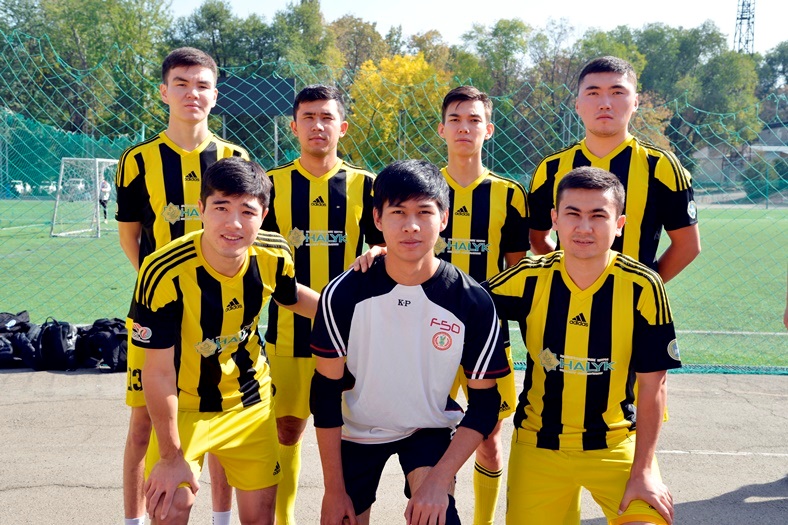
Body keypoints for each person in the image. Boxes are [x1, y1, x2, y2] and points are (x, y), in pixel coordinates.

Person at [353, 86, 528, 524]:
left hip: (480, 333)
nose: (464, 128)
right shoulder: (420, 189)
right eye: (455, 119)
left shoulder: (509, 194)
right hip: (421, 335)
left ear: (488, 129)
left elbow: (517, 269)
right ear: (441, 129)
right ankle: (432, 492)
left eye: (474, 120)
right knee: (426, 427)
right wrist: (376, 252)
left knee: (489, 436)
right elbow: (388, 247)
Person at [310, 159, 510, 525]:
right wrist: (333, 490)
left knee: (436, 517)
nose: (411, 225)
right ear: (377, 218)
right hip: (356, 432)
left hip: (427, 428)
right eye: (398, 212)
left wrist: (438, 482)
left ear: (444, 218)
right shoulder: (343, 293)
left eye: (424, 212)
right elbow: (324, 394)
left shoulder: (471, 300)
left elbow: (485, 405)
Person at [486, 166, 681, 524]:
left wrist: (643, 471)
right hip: (539, 446)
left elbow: (654, 385)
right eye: (573, 214)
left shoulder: (643, 286)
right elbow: (460, 302)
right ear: (554, 220)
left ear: (619, 224)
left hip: (616, 445)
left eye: (598, 216)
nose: (584, 227)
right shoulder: (528, 278)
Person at [131, 157, 319, 525]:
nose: (233, 223)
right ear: (200, 208)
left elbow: (291, 296)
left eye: (247, 211)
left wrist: (354, 315)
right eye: (221, 207)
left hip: (249, 404)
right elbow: (157, 373)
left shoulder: (274, 253)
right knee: (170, 506)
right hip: (184, 406)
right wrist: (169, 457)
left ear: (263, 216)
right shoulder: (162, 271)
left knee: (260, 518)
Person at [114, 47, 249, 525]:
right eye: (182, 84)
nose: (193, 93)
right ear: (164, 91)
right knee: (143, 425)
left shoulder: (235, 157)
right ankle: (133, 520)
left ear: (215, 94)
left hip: (222, 313)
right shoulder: (138, 159)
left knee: (222, 422)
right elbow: (129, 236)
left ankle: (220, 519)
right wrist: (162, 290)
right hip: (159, 315)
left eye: (202, 85)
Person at [261, 84, 384, 524]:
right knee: (287, 429)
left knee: (349, 436)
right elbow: (260, 261)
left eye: (327, 117)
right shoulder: (271, 184)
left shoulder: (366, 185)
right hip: (288, 332)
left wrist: (378, 252)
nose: (318, 126)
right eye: (309, 117)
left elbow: (387, 249)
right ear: (294, 127)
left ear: (342, 127)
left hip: (352, 338)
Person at [528, 56, 700, 283]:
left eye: (617, 92)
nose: (605, 103)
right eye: (593, 93)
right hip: (565, 300)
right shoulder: (551, 167)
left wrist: (642, 289)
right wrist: (569, 279)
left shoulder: (661, 166)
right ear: (577, 104)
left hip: (633, 303)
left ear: (635, 102)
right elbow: (537, 239)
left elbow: (688, 245)